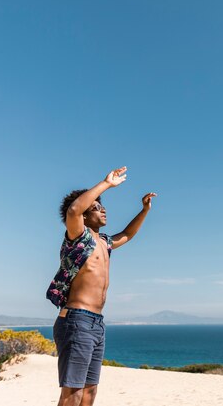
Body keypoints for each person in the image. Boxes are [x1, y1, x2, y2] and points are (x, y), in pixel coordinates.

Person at [45, 166, 157, 406]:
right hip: (76, 320)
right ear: (85, 215)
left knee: (90, 391)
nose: (103, 209)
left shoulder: (104, 242)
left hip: (96, 323)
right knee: (72, 392)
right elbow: (74, 208)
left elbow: (127, 234)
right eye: (96, 207)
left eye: (102, 205)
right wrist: (107, 183)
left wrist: (144, 210)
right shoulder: (78, 237)